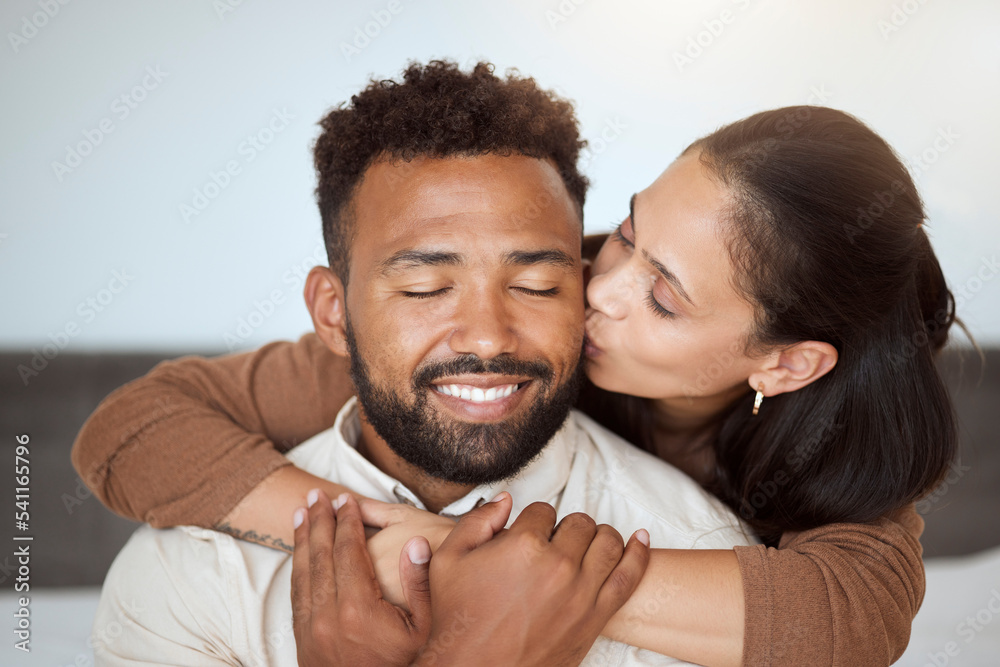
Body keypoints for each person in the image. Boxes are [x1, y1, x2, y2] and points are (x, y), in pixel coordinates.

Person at [75, 61, 959, 665]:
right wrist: (402, 539)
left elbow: (850, 619)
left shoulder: (832, 469)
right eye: (626, 233)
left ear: (785, 365)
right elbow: (130, 433)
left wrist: (512, 589)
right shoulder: (511, 310)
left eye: (664, 297)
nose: (597, 290)